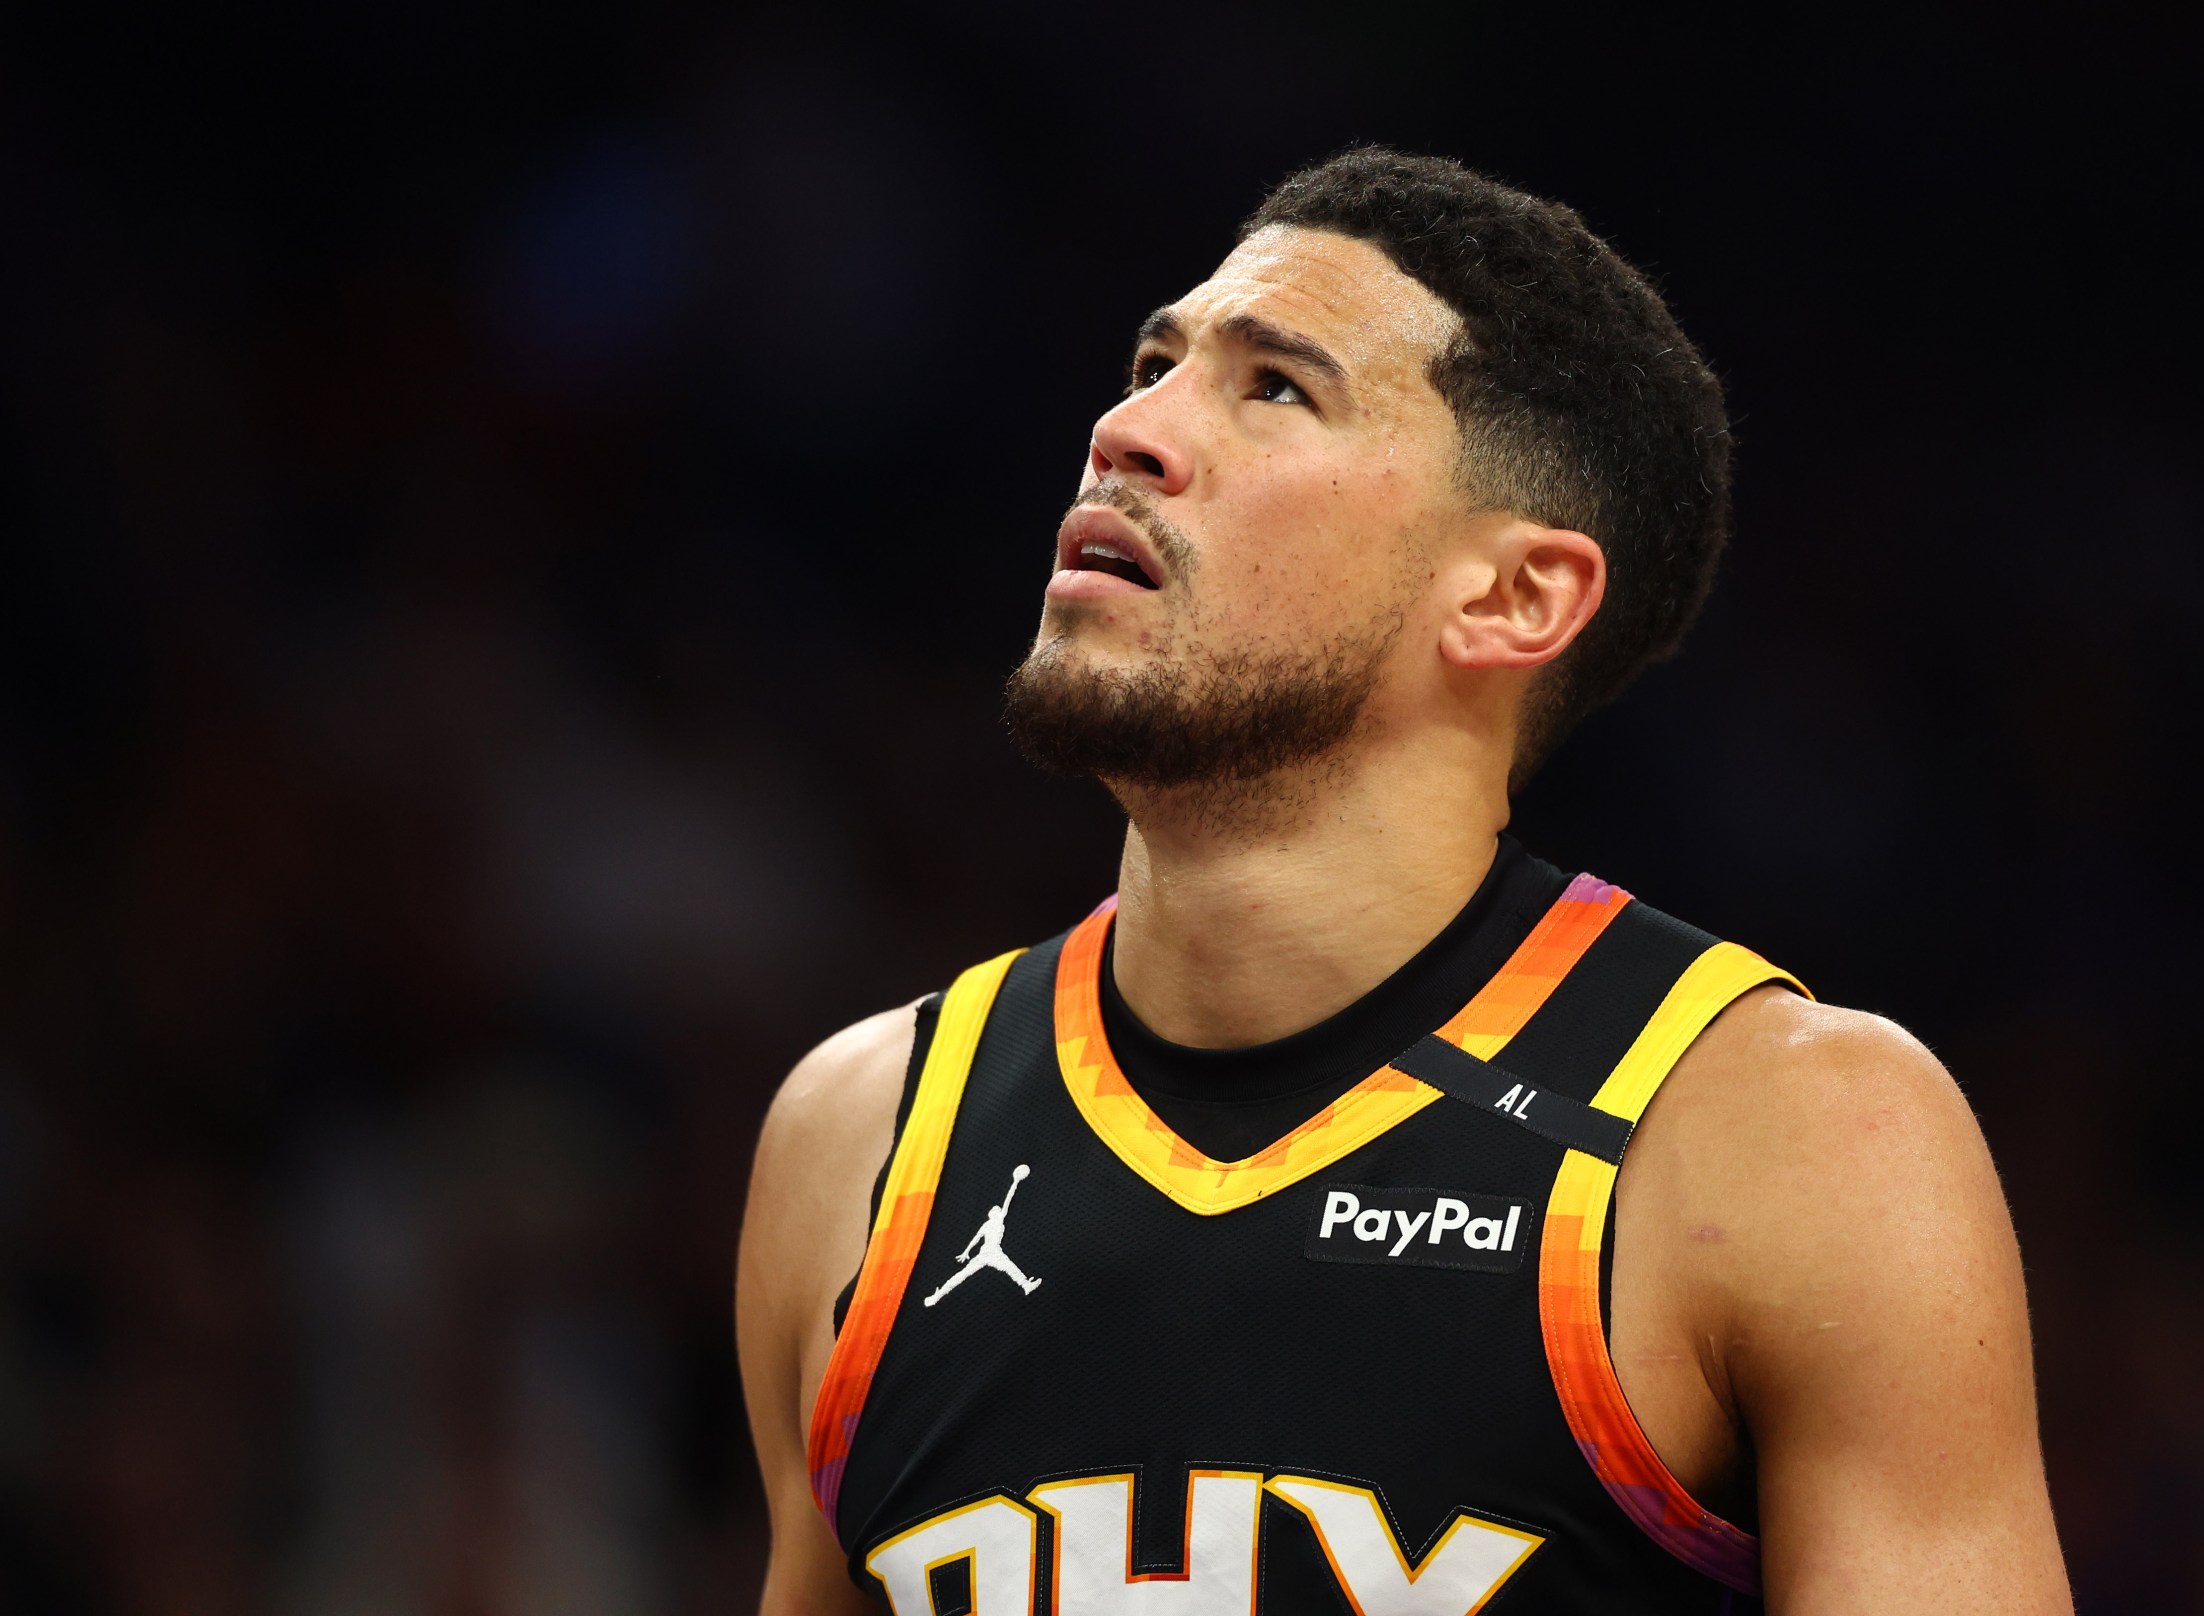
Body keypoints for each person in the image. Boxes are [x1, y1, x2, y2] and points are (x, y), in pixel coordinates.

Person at [738, 147, 2071, 1615]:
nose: (1129, 429)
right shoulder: (856, 1135)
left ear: (1512, 596)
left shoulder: (1785, 1134)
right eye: (1154, 362)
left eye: (1275, 388)